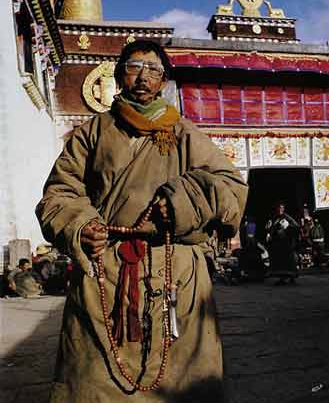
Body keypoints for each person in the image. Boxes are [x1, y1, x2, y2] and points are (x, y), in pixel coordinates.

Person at [35, 39, 248, 402]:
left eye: (153, 70)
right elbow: (59, 193)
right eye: (134, 67)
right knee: (93, 379)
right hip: (105, 272)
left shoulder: (184, 132)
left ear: (163, 81)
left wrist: (184, 203)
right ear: (119, 77)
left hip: (175, 274)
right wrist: (82, 224)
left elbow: (231, 187)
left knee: (181, 382)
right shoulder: (92, 133)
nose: (143, 77)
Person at [267, 203, 300, 285]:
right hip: (279, 244)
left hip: (286, 243)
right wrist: (269, 229)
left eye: (281, 208)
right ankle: (283, 279)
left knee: (288, 261)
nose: (280, 210)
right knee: (281, 262)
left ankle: (291, 278)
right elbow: (272, 229)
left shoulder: (286, 217)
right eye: (278, 208)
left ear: (283, 209)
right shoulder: (275, 218)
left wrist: (287, 226)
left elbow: (296, 226)